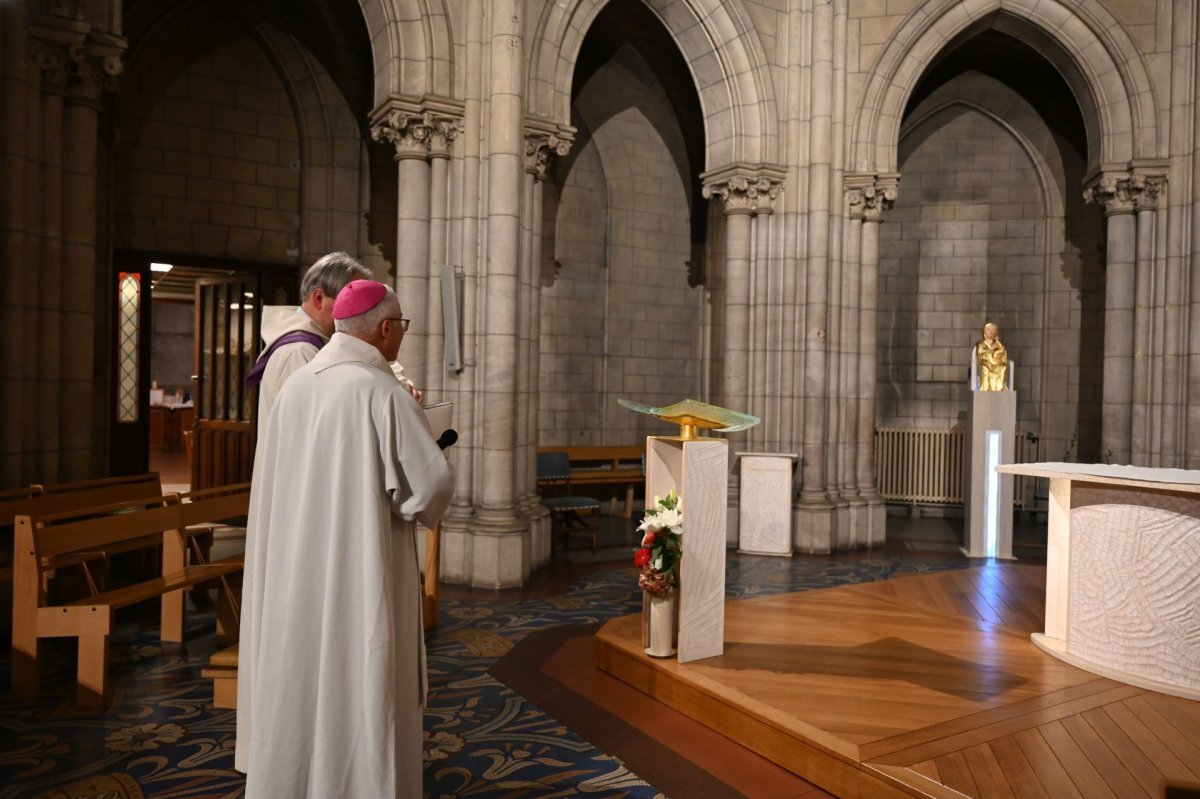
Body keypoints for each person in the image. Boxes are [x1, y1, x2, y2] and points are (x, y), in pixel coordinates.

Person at [235, 280, 454, 799]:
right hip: (363, 569)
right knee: (361, 681)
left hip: (299, 571)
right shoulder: (382, 392)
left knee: (303, 678)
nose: (401, 336)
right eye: (401, 326)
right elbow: (430, 491)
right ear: (383, 329)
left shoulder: (297, 386)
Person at [974, 321, 1008, 391]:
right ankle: (985, 387)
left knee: (1003, 367)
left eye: (993, 330)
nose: (991, 332)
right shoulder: (981, 344)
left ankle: (1000, 387)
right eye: (988, 330)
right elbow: (981, 354)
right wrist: (991, 350)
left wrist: (997, 347)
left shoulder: (998, 344)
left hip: (996, 364)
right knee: (984, 368)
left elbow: (1002, 352)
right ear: (984, 332)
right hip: (986, 363)